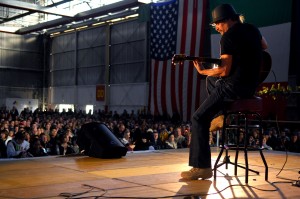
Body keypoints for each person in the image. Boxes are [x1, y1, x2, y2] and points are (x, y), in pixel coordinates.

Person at [181, 4, 268, 180]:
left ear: (227, 20)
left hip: (232, 86)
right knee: (211, 81)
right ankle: (221, 115)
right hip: (249, 86)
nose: (217, 28)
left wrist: (203, 71)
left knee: (198, 118)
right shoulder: (252, 28)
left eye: (218, 24)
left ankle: (202, 167)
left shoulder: (227, 37)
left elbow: (224, 71)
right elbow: (264, 46)